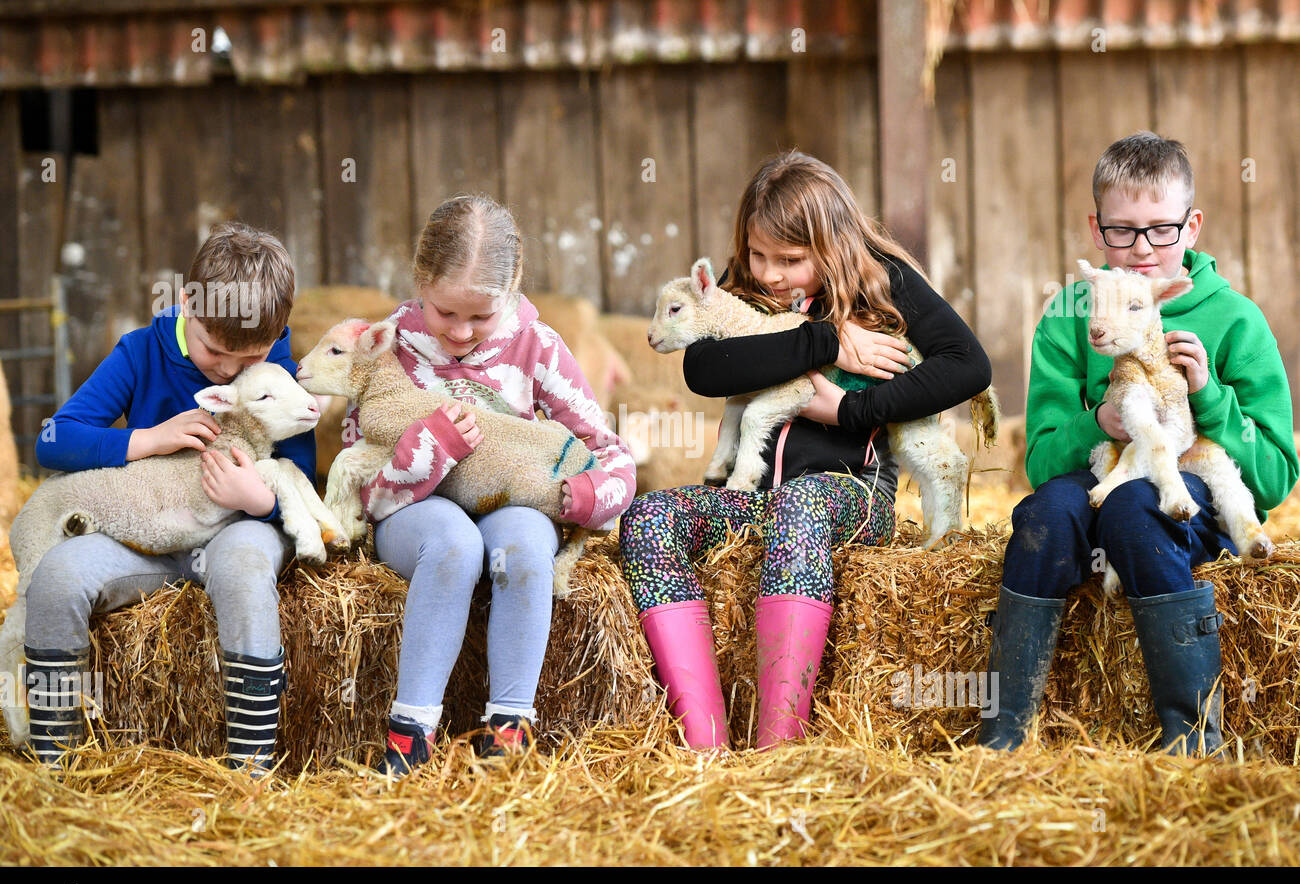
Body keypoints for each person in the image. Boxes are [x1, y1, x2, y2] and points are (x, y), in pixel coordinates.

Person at [619, 150, 992, 750]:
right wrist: (826, 341)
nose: (769, 273)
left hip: (848, 496)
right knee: (648, 517)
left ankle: (777, 746)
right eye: (757, 255)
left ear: (833, 244)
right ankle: (705, 743)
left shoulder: (884, 282)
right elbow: (704, 368)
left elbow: (968, 366)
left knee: (800, 504)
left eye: (790, 260)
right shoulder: (749, 294)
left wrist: (850, 410)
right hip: (756, 500)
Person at [979, 132, 1299, 755]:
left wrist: (1207, 395)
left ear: (1193, 225)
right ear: (1096, 230)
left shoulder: (1236, 320)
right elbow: (1041, 462)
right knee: (1044, 515)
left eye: (1161, 228)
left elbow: (1276, 475)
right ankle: (1005, 736)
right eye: (1122, 231)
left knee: (1135, 510)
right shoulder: (1071, 318)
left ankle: (1193, 736)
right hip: (1104, 468)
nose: (1142, 249)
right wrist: (1099, 421)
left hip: (1194, 483)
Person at [355, 195, 636, 776]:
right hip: (416, 510)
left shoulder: (539, 348)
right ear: (419, 281)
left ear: (513, 289)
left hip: (507, 501)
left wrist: (585, 498)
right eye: (444, 313)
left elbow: (613, 455)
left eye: (480, 317)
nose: (460, 332)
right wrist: (431, 449)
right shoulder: (386, 348)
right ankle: (411, 733)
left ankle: (509, 727)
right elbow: (361, 484)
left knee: (525, 543)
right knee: (455, 545)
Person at [25, 221, 314, 773]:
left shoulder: (280, 369)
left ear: (277, 334)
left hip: (237, 527)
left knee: (244, 563)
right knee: (60, 574)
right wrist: (147, 440)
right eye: (214, 350)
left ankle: (249, 768)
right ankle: (54, 762)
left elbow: (300, 473)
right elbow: (53, 439)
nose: (228, 369)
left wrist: (259, 501)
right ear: (187, 302)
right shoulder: (140, 353)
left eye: (247, 357)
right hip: (149, 538)